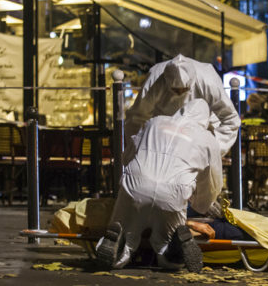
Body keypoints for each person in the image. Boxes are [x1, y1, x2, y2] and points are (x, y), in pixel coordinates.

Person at [97, 100, 223, 272]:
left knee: (127, 229)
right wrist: (203, 204)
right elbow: (212, 181)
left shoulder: (154, 122)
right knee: (165, 246)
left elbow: (129, 154)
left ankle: (119, 244)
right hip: (173, 193)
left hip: (135, 186)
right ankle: (174, 249)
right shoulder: (207, 139)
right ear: (205, 119)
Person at [125, 54, 240, 156]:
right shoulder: (155, 78)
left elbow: (231, 119)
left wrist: (213, 149)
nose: (179, 94)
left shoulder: (208, 79)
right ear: (166, 81)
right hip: (164, 137)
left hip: (203, 134)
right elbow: (137, 117)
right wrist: (137, 150)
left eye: (184, 90)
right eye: (175, 90)